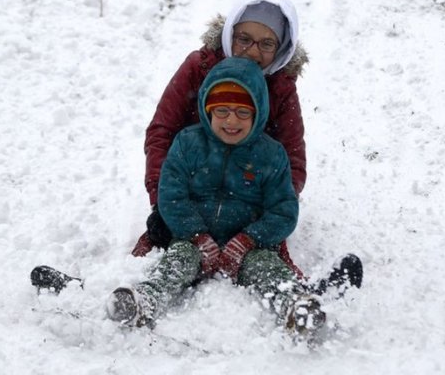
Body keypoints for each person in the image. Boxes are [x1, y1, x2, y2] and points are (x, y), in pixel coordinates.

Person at [106, 57, 325, 340]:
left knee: (268, 268)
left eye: (243, 113)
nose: (231, 120)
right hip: (193, 240)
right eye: (222, 110)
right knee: (177, 260)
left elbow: (283, 210)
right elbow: (171, 195)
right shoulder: (188, 143)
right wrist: (196, 235)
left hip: (248, 246)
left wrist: (249, 239)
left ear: (258, 113)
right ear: (207, 109)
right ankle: (143, 301)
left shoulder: (271, 155)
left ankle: (295, 306)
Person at [132, 0, 308, 278]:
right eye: (244, 39)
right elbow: (161, 132)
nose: (253, 51)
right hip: (194, 189)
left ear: (281, 48)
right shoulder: (199, 68)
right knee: (163, 255)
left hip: (249, 195)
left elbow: (293, 157)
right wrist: (162, 200)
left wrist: (269, 214)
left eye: (266, 43)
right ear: (230, 34)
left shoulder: (281, 86)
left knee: (267, 265)